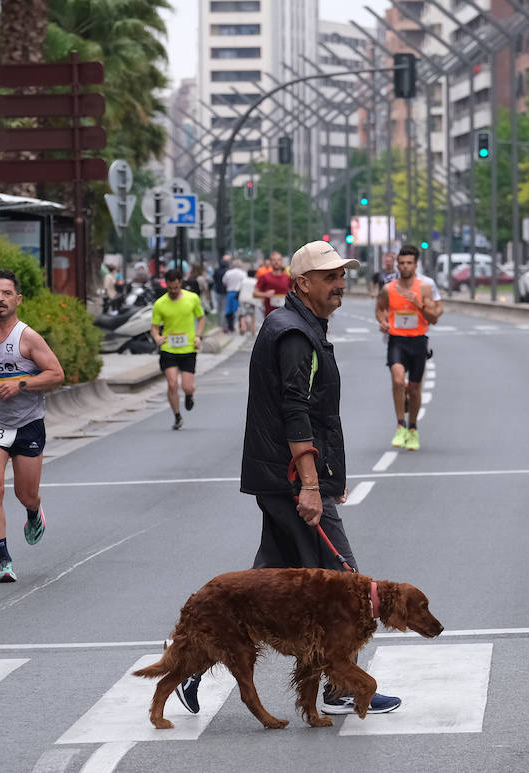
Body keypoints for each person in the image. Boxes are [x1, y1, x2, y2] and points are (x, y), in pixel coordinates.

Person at [172, 240, 402, 718]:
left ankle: (190, 662)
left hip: (278, 476)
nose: (340, 284)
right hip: (290, 478)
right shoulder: (294, 333)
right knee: (345, 582)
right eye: (329, 277)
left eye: (342, 274)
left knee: (263, 578)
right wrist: (312, 484)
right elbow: (295, 411)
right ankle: (341, 687)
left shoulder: (299, 326)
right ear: (302, 284)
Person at [0, 269, 66, 583]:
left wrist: (21, 384)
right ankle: (4, 559)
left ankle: (34, 511)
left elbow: (56, 374)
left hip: (27, 424)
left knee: (26, 494)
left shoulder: (28, 337)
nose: (0, 299)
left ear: (17, 299)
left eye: (6, 293)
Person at [375, 245, 442, 451]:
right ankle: (400, 426)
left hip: (418, 341)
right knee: (397, 380)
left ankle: (413, 428)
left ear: (416, 265)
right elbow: (379, 309)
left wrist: (420, 304)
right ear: (397, 265)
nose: (405, 267)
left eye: (409, 263)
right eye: (401, 263)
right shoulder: (389, 288)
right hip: (396, 341)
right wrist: (383, 322)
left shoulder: (424, 288)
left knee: (414, 389)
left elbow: (434, 318)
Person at [151, 268, 206, 431]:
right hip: (169, 348)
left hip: (188, 348)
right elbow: (154, 327)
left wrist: (198, 336)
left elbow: (201, 318)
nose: (173, 291)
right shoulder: (160, 304)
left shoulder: (192, 298)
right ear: (166, 285)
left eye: (176, 287)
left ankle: (189, 396)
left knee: (187, 387)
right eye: (170, 288)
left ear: (180, 283)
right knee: (172, 384)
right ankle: (177, 416)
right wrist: (157, 337)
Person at [253, 252, 291, 317]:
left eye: (278, 260)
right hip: (270, 314)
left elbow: (294, 292)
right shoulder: (264, 277)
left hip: (286, 314)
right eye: (274, 260)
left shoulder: (288, 278)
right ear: (270, 262)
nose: (276, 262)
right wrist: (265, 294)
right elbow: (255, 293)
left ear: (281, 261)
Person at [223, 258, 247, 333]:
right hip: (239, 293)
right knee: (240, 310)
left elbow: (224, 282)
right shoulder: (243, 273)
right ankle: (241, 325)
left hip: (230, 292)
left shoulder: (228, 273)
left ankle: (231, 327)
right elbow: (245, 283)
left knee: (229, 310)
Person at [238, 266, 260, 335]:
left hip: (243, 299)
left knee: (243, 314)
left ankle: (243, 326)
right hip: (252, 300)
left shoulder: (243, 281)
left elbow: (239, 289)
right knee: (252, 314)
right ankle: (252, 329)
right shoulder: (255, 282)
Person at [211, 255, 231, 324]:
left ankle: (219, 322)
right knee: (224, 308)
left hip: (217, 290)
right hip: (225, 291)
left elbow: (214, 279)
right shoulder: (227, 271)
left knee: (218, 308)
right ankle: (223, 323)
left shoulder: (216, 271)